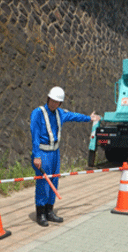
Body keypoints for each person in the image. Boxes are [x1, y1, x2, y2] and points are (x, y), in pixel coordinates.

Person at [30, 86, 101, 227]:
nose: (54, 103)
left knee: (54, 182)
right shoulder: (38, 113)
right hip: (43, 153)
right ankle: (41, 214)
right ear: (48, 98)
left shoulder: (60, 113)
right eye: (52, 100)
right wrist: (37, 156)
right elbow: (35, 135)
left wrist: (89, 118)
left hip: (55, 152)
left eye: (57, 102)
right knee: (43, 184)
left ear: (60, 103)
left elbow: (74, 116)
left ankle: (50, 211)